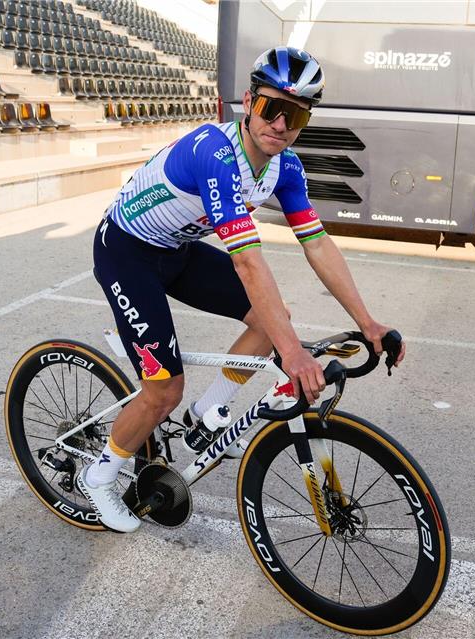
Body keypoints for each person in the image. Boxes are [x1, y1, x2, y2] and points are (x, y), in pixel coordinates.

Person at [78, 46, 406, 532]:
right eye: (271, 108)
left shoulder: (286, 168)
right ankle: (99, 476)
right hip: (127, 252)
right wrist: (294, 355)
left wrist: (369, 322)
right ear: (249, 103)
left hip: (178, 249)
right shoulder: (215, 152)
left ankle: (208, 412)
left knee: (273, 323)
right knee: (163, 390)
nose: (280, 124)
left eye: (295, 115)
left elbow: (318, 246)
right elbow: (250, 265)